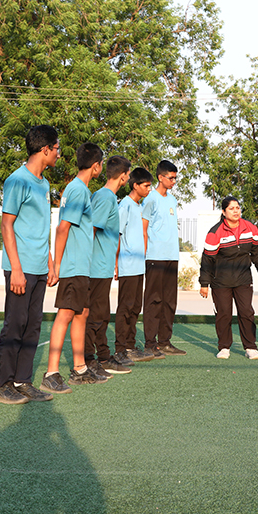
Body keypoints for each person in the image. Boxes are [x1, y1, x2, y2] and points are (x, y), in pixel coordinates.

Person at [0, 125, 60, 405]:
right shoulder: (17, 180)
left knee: (33, 326)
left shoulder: (44, 184)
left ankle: (23, 381)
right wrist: (16, 270)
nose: (58, 154)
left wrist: (50, 263)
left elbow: (41, 228)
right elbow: (7, 224)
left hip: (40, 267)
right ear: (44, 149)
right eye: (56, 149)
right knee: (15, 325)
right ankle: (3, 385)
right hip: (20, 268)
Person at [40, 142, 108, 393]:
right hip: (73, 266)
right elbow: (62, 228)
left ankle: (79, 368)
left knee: (82, 313)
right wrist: (57, 266)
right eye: (101, 164)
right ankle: (51, 373)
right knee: (66, 315)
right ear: (96, 166)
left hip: (81, 266)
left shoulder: (79, 189)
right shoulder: (78, 190)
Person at [199, 196, 258, 359]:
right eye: (231, 208)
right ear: (224, 212)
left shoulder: (251, 228)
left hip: (243, 279)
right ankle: (224, 347)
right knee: (223, 314)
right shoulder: (215, 232)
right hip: (221, 281)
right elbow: (207, 260)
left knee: (246, 312)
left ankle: (251, 347)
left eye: (237, 208)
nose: (235, 211)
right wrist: (204, 283)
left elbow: (256, 253)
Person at [85, 156, 132, 376]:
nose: (128, 178)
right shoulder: (105, 197)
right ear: (122, 176)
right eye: (128, 175)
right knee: (94, 316)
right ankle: (89, 359)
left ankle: (103, 357)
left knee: (102, 315)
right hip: (95, 268)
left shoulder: (108, 197)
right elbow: (92, 230)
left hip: (102, 267)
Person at [141, 160, 185, 357]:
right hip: (154, 257)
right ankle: (150, 344)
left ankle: (165, 342)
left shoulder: (173, 200)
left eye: (175, 178)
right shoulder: (150, 199)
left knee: (169, 301)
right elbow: (143, 228)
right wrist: (143, 254)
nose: (174, 181)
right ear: (160, 177)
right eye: (171, 178)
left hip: (171, 257)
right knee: (154, 301)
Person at [114, 167, 157, 366]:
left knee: (135, 308)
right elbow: (116, 235)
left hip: (139, 266)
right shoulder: (125, 206)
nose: (149, 189)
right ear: (135, 185)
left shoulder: (139, 206)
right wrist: (116, 263)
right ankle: (120, 349)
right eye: (146, 186)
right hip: (127, 265)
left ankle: (130, 347)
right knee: (125, 307)